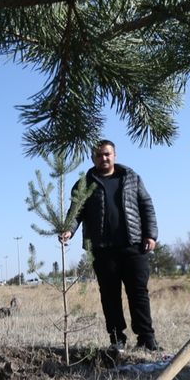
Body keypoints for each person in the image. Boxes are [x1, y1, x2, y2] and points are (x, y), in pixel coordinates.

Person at [60, 140, 160, 351]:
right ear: (93, 158)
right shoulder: (84, 184)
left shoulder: (131, 178)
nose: (103, 158)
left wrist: (150, 234)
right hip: (102, 249)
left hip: (133, 246)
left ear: (114, 155)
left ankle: (146, 339)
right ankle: (117, 340)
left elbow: (146, 205)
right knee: (109, 294)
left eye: (107, 154)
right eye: (99, 155)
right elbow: (76, 211)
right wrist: (68, 229)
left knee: (138, 292)